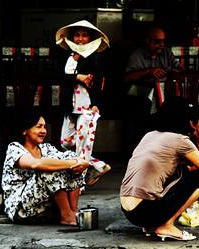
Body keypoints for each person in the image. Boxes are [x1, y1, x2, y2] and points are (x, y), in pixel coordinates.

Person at [120, 97, 199, 241]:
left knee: (184, 172)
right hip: (144, 211)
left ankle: (153, 225)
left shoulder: (149, 135)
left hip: (128, 211)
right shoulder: (180, 141)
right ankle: (167, 225)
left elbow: (191, 167)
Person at [1, 109, 89, 226]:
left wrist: (82, 163)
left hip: (44, 206)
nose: (43, 131)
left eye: (44, 127)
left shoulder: (46, 148)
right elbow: (36, 164)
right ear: (25, 131)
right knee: (48, 166)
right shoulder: (15, 149)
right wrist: (71, 164)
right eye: (38, 127)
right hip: (21, 208)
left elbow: (72, 158)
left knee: (70, 158)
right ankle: (67, 214)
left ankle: (72, 212)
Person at [55, 20, 111, 184]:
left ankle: (79, 182)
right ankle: (97, 165)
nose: (80, 39)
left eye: (84, 35)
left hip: (87, 107)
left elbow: (100, 83)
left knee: (83, 145)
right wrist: (78, 77)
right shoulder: (66, 56)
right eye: (77, 35)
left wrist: (97, 104)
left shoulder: (96, 58)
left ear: (90, 38)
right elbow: (60, 77)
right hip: (69, 106)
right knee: (65, 142)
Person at [123, 26, 184, 155]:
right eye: (157, 42)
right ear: (148, 41)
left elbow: (180, 69)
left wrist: (172, 73)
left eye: (163, 41)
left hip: (163, 94)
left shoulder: (167, 53)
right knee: (143, 111)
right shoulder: (137, 55)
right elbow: (127, 77)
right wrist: (150, 71)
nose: (161, 45)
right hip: (140, 95)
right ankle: (139, 150)